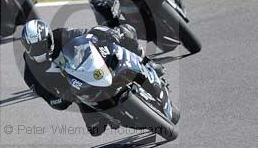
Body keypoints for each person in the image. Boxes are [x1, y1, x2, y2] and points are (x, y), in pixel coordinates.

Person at [20, 19, 164, 137]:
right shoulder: (30, 73)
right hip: (76, 90)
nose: (37, 51)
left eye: (40, 45)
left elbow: (88, 33)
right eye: (32, 47)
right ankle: (114, 114)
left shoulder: (61, 35)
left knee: (126, 31)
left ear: (49, 38)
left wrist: (109, 33)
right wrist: (62, 97)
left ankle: (146, 62)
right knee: (95, 130)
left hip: (91, 68)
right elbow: (49, 98)